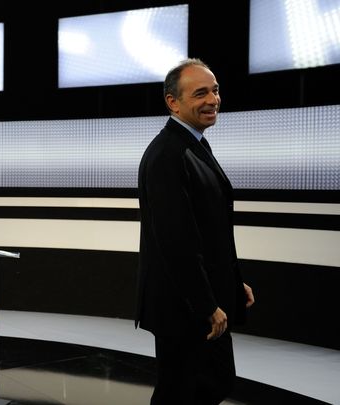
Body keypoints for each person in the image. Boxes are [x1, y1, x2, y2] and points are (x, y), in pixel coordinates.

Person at [136, 58, 255, 405]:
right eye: (200, 93)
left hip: (197, 301)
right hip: (184, 308)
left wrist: (233, 283)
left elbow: (209, 229)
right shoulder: (167, 155)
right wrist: (206, 305)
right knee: (188, 390)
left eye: (215, 90)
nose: (212, 100)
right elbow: (176, 242)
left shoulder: (192, 144)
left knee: (205, 385)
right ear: (172, 101)